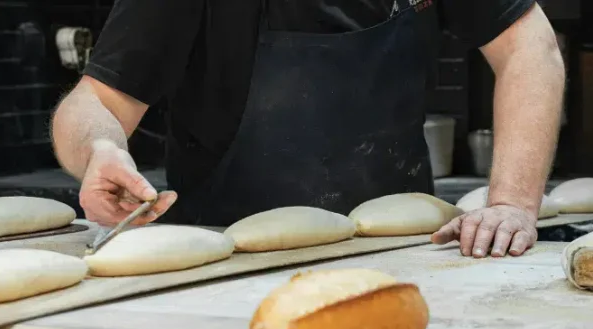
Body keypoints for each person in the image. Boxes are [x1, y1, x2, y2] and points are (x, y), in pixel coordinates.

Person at [51, 0, 565, 258]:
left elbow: (529, 49)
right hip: (226, 259)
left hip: (403, 252)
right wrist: (100, 147)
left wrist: (512, 203)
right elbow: (95, 100)